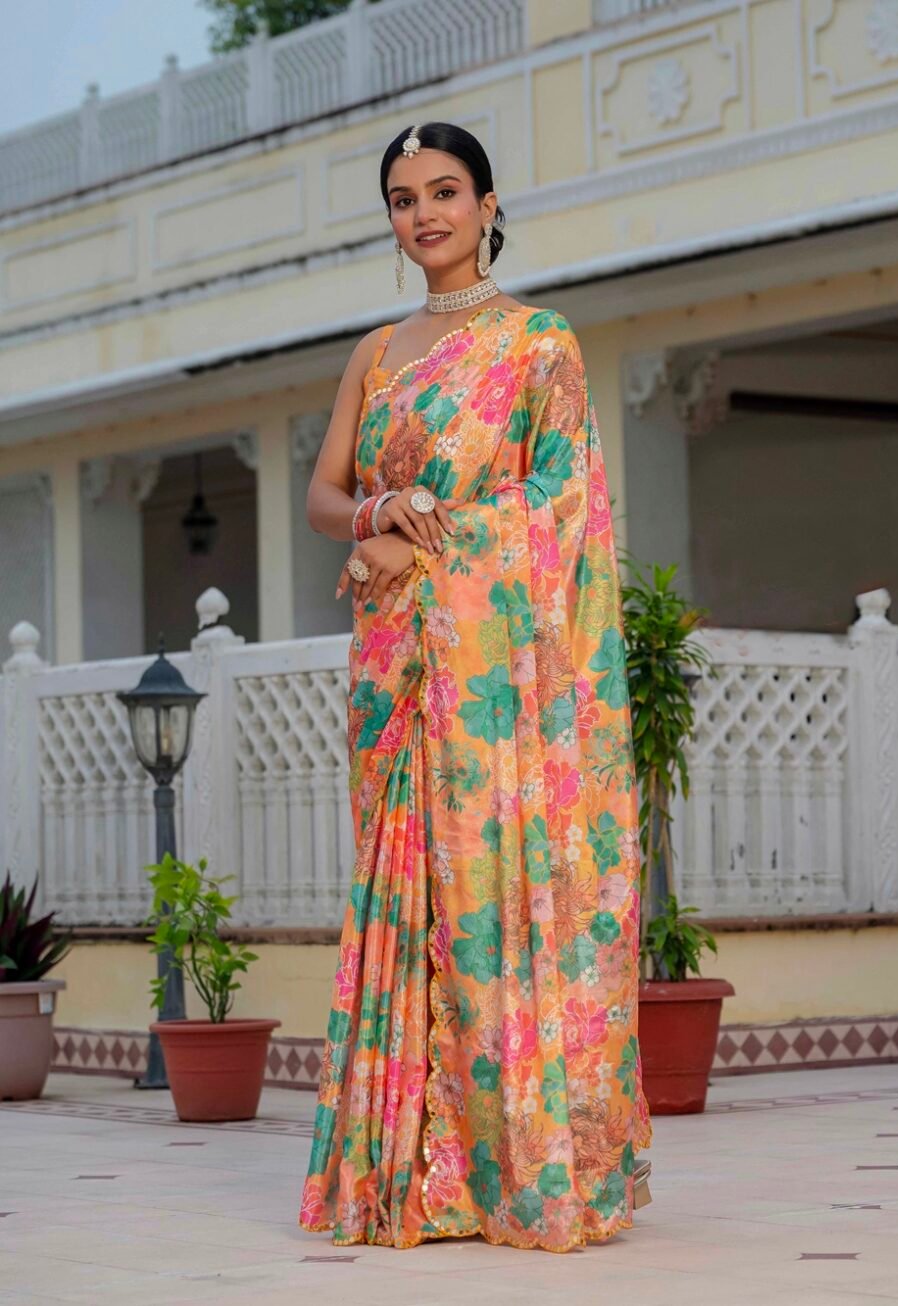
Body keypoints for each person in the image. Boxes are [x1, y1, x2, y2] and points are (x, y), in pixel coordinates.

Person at [299, 121, 652, 1253]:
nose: (425, 215)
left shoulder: (539, 344)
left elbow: (560, 502)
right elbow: (323, 493)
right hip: (395, 664)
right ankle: (409, 1168)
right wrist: (376, 515)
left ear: (489, 205)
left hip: (492, 674)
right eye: (404, 199)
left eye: (445, 192)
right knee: (406, 890)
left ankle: (506, 1164)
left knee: (491, 892)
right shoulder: (376, 351)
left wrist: (422, 541)